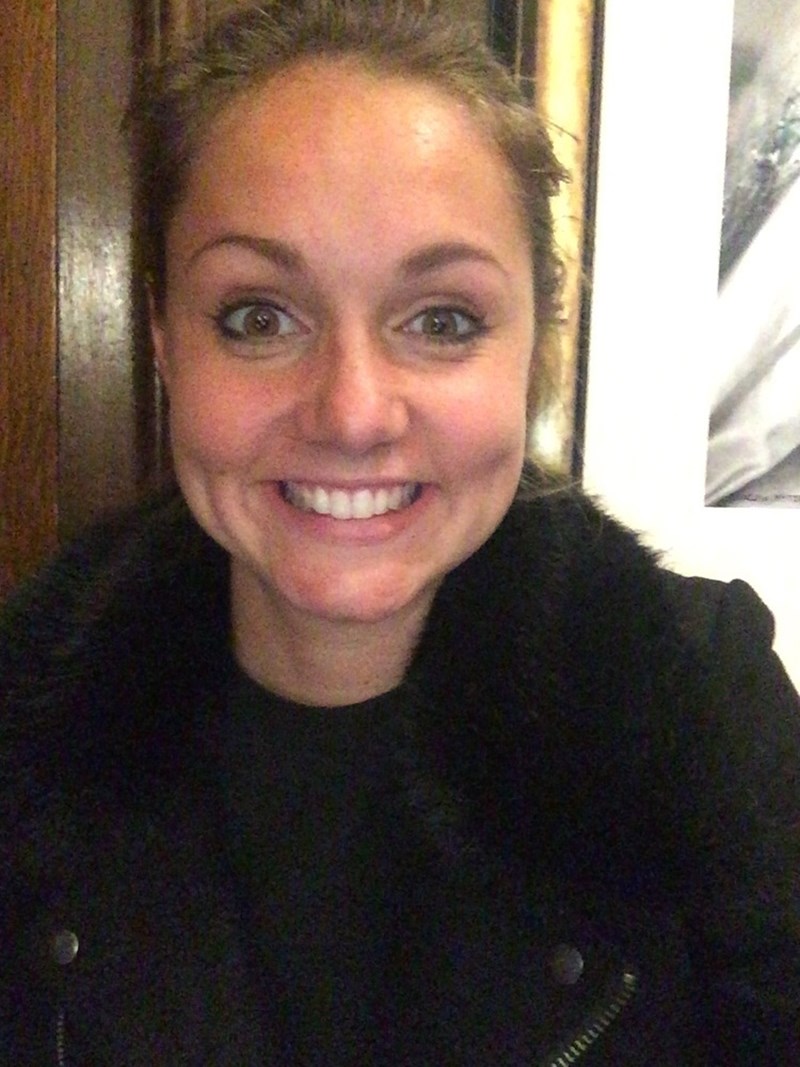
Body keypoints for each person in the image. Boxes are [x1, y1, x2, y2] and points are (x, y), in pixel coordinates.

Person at [1, 1, 798, 1062]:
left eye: (440, 320)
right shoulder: (23, 733)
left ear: (534, 343)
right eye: (258, 317)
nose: (351, 412)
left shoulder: (698, 709)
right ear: (162, 338)